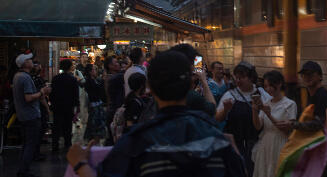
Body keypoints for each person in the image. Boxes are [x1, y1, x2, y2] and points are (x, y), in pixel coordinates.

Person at [67, 50, 246, 177]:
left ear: (150, 88)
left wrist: (80, 164)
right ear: (190, 85)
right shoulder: (218, 140)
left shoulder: (135, 142)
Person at [216, 61, 270, 175]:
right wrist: (225, 110)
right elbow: (217, 118)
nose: (238, 80)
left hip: (256, 143)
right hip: (235, 145)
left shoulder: (261, 93)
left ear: (251, 78)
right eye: (237, 77)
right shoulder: (230, 94)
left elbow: (271, 110)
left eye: (242, 77)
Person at [251, 70, 297, 177]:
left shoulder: (290, 104)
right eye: (266, 86)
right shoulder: (266, 103)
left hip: (281, 143)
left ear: (279, 84)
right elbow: (258, 126)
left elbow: (286, 129)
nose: (268, 89)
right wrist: (254, 110)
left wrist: (269, 115)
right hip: (266, 144)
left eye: (271, 85)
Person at [13, 52, 51, 177]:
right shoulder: (25, 77)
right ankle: (24, 171)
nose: (32, 62)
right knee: (30, 144)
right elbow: (29, 98)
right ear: (25, 64)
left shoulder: (18, 76)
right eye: (29, 60)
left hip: (23, 115)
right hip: (30, 115)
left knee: (26, 143)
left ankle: (23, 168)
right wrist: (42, 92)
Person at [169, 44, 217, 115]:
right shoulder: (190, 95)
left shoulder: (165, 88)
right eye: (196, 62)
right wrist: (203, 80)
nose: (199, 66)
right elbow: (212, 109)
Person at [290, 61, 327, 132]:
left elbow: (319, 124)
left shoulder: (323, 95)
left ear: (320, 76)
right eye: (303, 75)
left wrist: (294, 124)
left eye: (310, 74)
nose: (307, 77)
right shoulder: (312, 95)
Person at [50, 59, 80, 152]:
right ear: (70, 67)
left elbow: (52, 93)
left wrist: (52, 103)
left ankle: (55, 144)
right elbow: (76, 94)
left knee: (57, 125)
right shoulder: (72, 79)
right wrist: (77, 105)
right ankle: (67, 143)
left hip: (57, 106)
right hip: (68, 106)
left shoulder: (55, 78)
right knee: (67, 126)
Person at [83, 64, 107, 145]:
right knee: (95, 127)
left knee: (95, 126)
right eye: (94, 69)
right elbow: (96, 93)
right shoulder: (89, 82)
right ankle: (93, 144)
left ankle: (93, 144)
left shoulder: (94, 80)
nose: (96, 71)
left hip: (96, 105)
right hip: (94, 106)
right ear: (90, 72)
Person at [103, 55, 124, 145]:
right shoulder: (110, 78)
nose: (118, 64)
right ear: (110, 66)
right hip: (113, 110)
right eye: (115, 62)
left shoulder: (112, 77)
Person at [31, 60, 51, 148]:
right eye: (38, 66)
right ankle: (36, 150)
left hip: (37, 106)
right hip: (39, 107)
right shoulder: (36, 79)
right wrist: (47, 108)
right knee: (41, 126)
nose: (40, 68)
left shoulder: (34, 78)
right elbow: (41, 96)